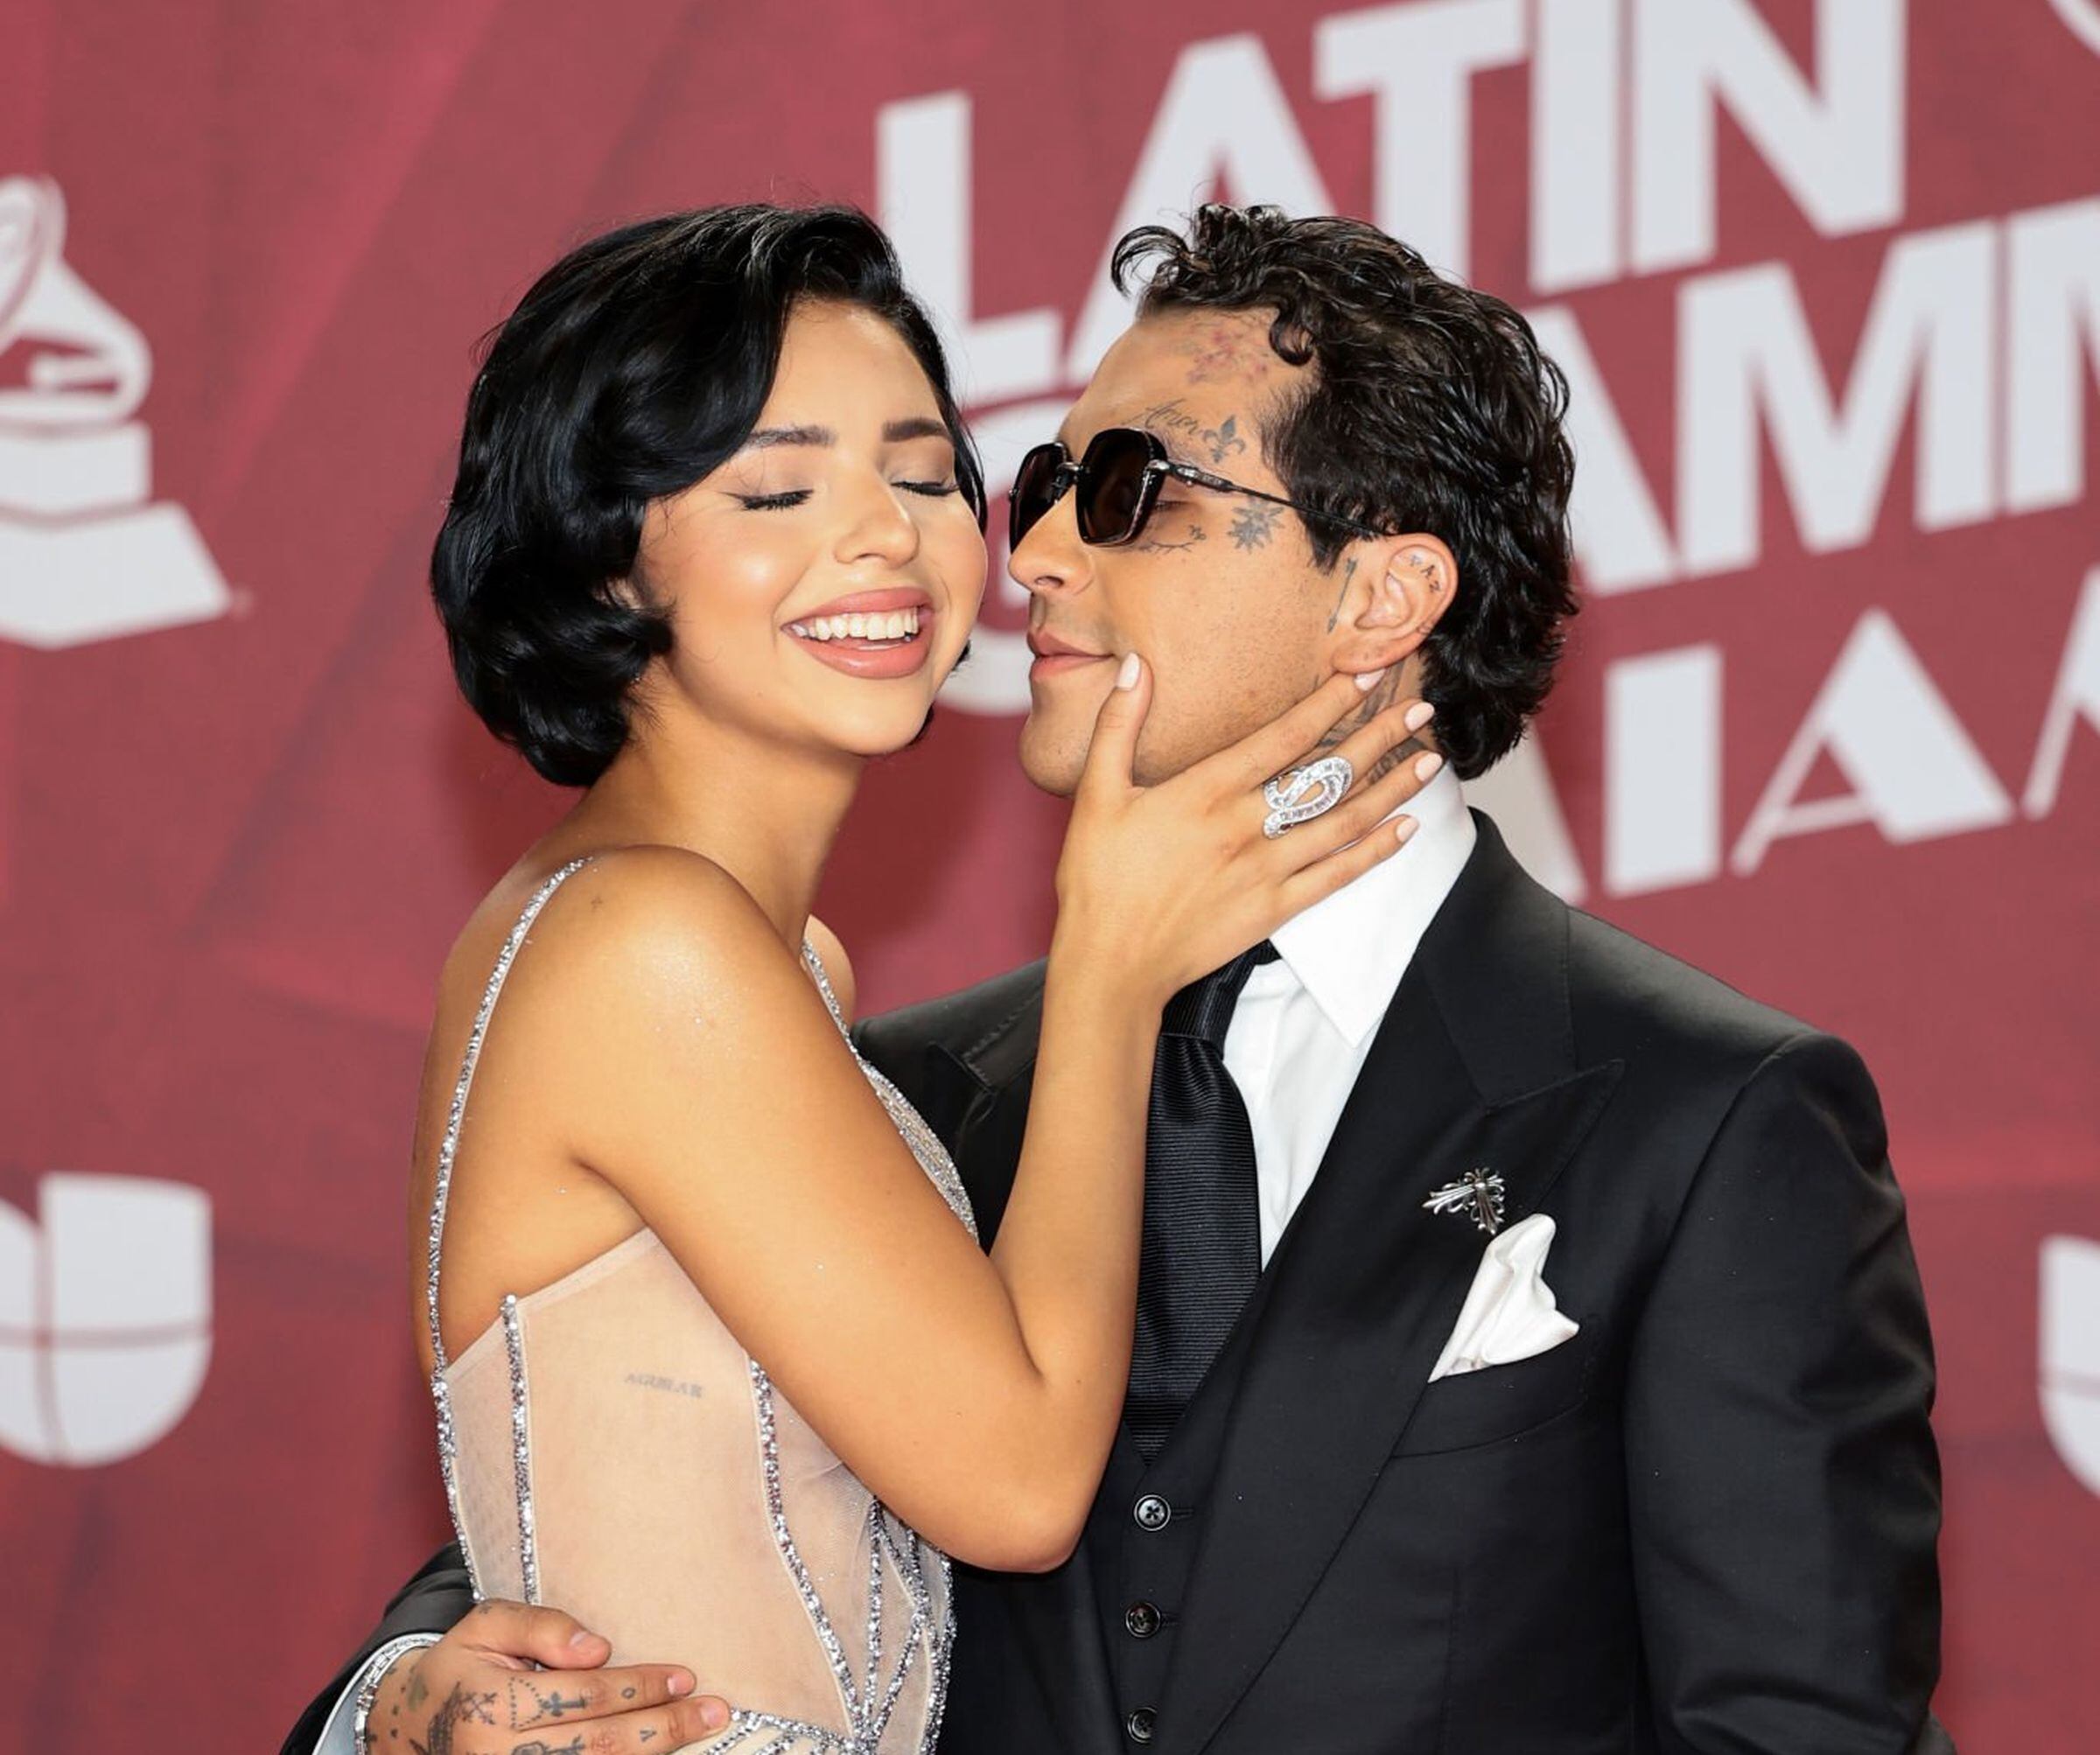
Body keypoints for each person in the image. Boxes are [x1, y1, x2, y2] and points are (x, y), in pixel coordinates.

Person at [284, 206, 1953, 1755]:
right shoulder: (926, 1079)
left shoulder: (1709, 1119)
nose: (1037, 558)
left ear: (1385, 592)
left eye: (1132, 487)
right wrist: (403, 1702)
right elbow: (628, 1491)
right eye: (1043, 479)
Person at [289, 201, 1436, 1755]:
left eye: (919, 470)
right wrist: (1108, 954)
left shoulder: (765, 957)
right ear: (606, 560)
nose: (889, 533)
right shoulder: (650, 947)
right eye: (776, 485)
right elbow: (1021, 1484)